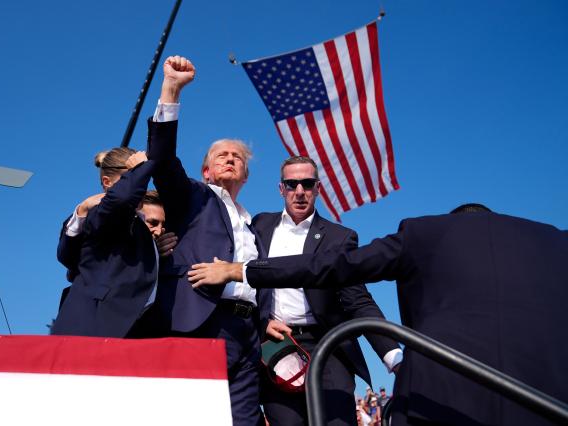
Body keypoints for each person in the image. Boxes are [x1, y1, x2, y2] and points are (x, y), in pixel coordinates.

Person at [189, 203, 568, 425]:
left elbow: (333, 269)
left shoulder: (424, 233)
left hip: (444, 387)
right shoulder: (556, 242)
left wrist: (242, 270)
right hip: (549, 392)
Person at [147, 55, 265, 426]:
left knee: (243, 420)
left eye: (237, 157)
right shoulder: (194, 197)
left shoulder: (255, 222)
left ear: (245, 173)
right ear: (206, 170)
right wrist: (171, 90)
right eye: (222, 156)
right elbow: (162, 162)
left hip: (250, 335)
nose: (230, 160)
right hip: (203, 323)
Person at [252, 156, 402, 426]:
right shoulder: (259, 227)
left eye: (307, 184)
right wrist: (262, 323)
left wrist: (394, 357)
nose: (299, 191)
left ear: (318, 188)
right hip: (277, 346)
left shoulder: (339, 237)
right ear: (281, 188)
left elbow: (358, 300)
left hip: (328, 346)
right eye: (292, 184)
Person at [51, 147, 159, 338]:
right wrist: (141, 168)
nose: (141, 184)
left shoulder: (139, 226)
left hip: (126, 331)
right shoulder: (103, 212)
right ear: (107, 183)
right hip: (93, 327)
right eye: (131, 177)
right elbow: (123, 197)